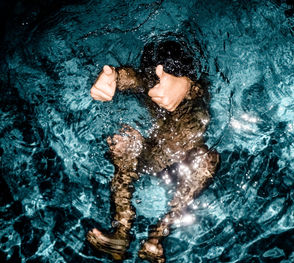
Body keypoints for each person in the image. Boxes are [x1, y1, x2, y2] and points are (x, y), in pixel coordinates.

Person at [86, 41, 219, 263]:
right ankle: (120, 234)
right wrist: (110, 78)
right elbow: (125, 76)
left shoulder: (196, 87)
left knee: (208, 160)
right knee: (123, 141)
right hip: (153, 153)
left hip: (184, 159)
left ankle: (156, 237)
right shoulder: (145, 80)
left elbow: (194, 89)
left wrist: (183, 85)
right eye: (152, 75)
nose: (156, 81)